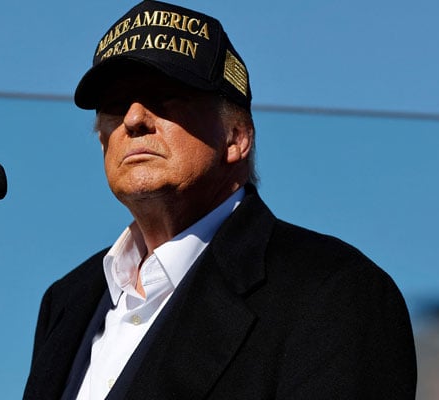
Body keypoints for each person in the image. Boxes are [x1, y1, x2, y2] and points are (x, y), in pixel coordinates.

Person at [23, 1, 417, 399]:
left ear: (236, 137)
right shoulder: (67, 301)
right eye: (113, 104)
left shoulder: (333, 293)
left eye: (164, 97)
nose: (133, 119)